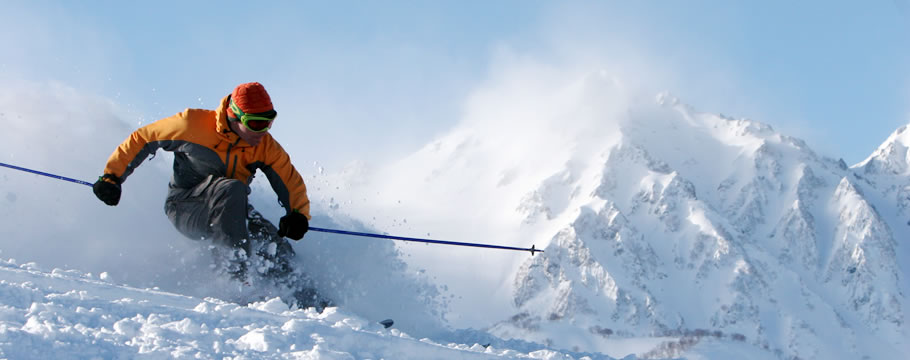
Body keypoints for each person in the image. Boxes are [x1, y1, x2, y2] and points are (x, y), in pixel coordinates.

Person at [92, 82, 311, 281]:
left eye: (269, 123)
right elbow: (144, 137)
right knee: (232, 189)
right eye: (255, 123)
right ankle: (236, 280)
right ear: (233, 116)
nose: (262, 131)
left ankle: (307, 300)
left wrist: (298, 215)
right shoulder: (192, 125)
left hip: (231, 209)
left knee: (273, 243)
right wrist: (112, 177)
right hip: (186, 206)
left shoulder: (264, 145)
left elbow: (288, 178)